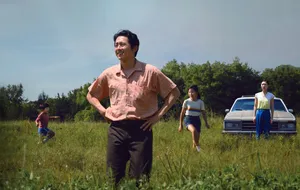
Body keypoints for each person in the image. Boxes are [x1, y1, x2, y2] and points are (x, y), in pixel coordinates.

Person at [86, 29, 180, 187]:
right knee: (113, 178)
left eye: (122, 44)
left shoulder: (150, 72)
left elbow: (174, 93)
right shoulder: (109, 73)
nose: (118, 48)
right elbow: (91, 95)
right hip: (116, 129)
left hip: (141, 130)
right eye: (116, 45)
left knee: (139, 179)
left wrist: (158, 116)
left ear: (134, 48)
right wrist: (103, 110)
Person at [178, 85, 210, 152]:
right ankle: (199, 148)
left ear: (196, 93)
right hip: (188, 119)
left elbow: (203, 113)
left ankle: (194, 152)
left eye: (192, 92)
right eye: (189, 92)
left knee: (196, 139)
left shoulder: (200, 102)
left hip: (197, 120)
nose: (190, 94)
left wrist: (206, 123)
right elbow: (182, 113)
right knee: (193, 131)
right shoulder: (186, 101)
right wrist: (180, 125)